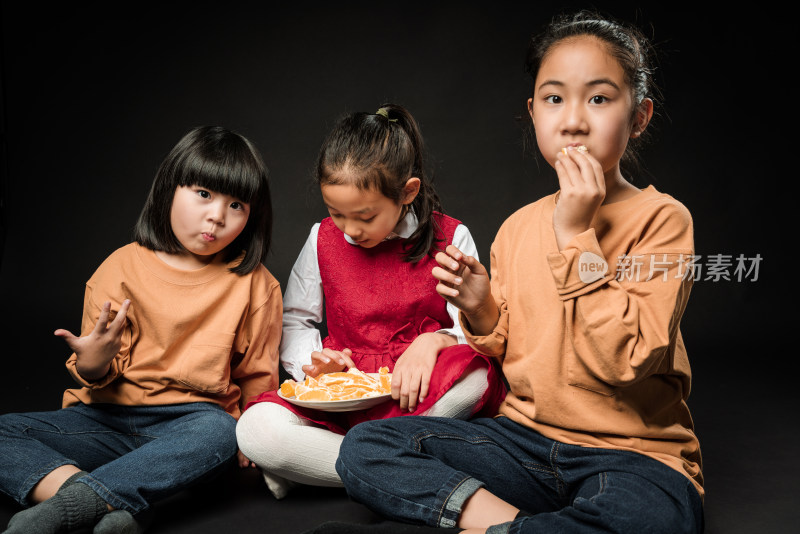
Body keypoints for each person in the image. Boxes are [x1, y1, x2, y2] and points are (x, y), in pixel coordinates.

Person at [326, 11, 704, 534]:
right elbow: (513, 355)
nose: (572, 120)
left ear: (639, 116)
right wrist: (482, 310)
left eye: (598, 98)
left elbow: (627, 361)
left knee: (653, 516)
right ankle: (515, 527)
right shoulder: (518, 227)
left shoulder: (663, 220)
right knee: (368, 449)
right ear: (532, 112)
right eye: (554, 98)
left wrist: (575, 235)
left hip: (632, 456)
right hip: (523, 443)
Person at [0, 126, 282, 534]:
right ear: (169, 188)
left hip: (192, 426)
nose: (217, 216)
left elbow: (258, 376)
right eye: (203, 194)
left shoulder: (256, 284)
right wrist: (93, 363)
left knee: (224, 432)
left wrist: (255, 434)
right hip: (105, 421)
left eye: (236, 204)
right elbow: (97, 373)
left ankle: (68, 509)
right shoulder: (120, 267)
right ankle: (107, 505)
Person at [236, 103, 507, 500]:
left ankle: (322, 466)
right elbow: (296, 320)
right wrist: (315, 366)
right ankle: (402, 466)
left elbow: (471, 324)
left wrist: (435, 342)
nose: (349, 230)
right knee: (255, 428)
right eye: (337, 214)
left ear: (407, 192)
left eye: (364, 216)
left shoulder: (451, 238)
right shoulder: (322, 238)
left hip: (414, 393)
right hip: (346, 389)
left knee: (476, 376)